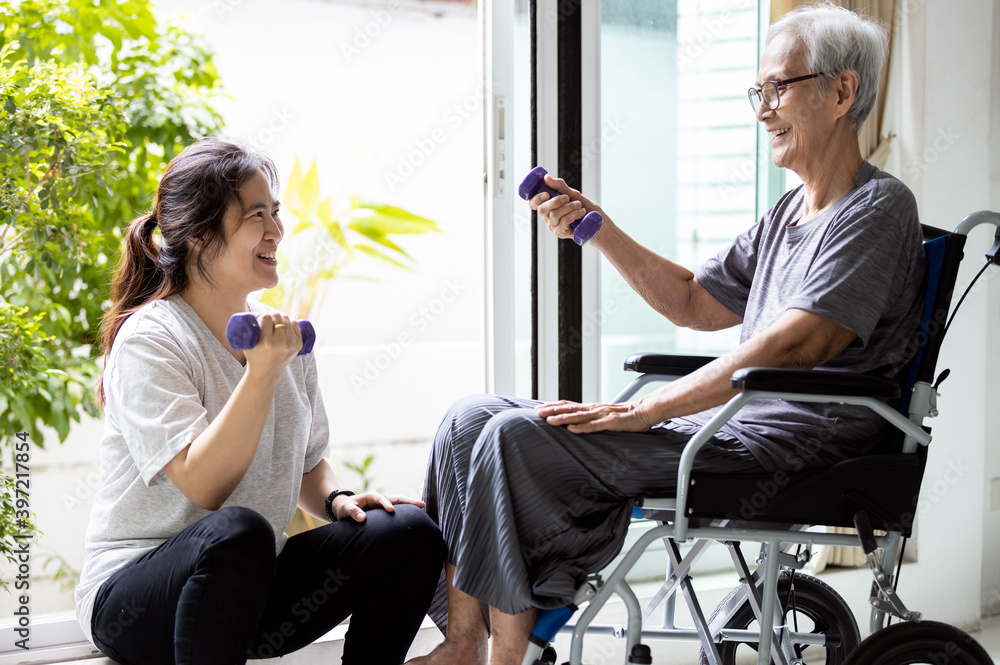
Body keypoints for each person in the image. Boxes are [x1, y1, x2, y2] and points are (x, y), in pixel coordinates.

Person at [410, 4, 925, 664]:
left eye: (778, 89)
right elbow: (692, 300)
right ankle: (464, 642)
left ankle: (508, 655)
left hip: (787, 447)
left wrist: (647, 408)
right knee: (466, 419)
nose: (762, 109)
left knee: (513, 436)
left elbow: (799, 344)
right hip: (735, 427)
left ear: (842, 91)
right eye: (758, 92)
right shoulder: (787, 214)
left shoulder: (879, 208)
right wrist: (597, 228)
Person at [75, 138, 445, 665]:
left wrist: (337, 499)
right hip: (137, 599)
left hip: (248, 588)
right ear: (201, 237)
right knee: (239, 529)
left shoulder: (281, 336)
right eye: (256, 215)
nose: (277, 230)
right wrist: (262, 372)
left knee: (406, 532)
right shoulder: (152, 339)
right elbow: (205, 485)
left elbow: (307, 464)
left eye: (276, 211)